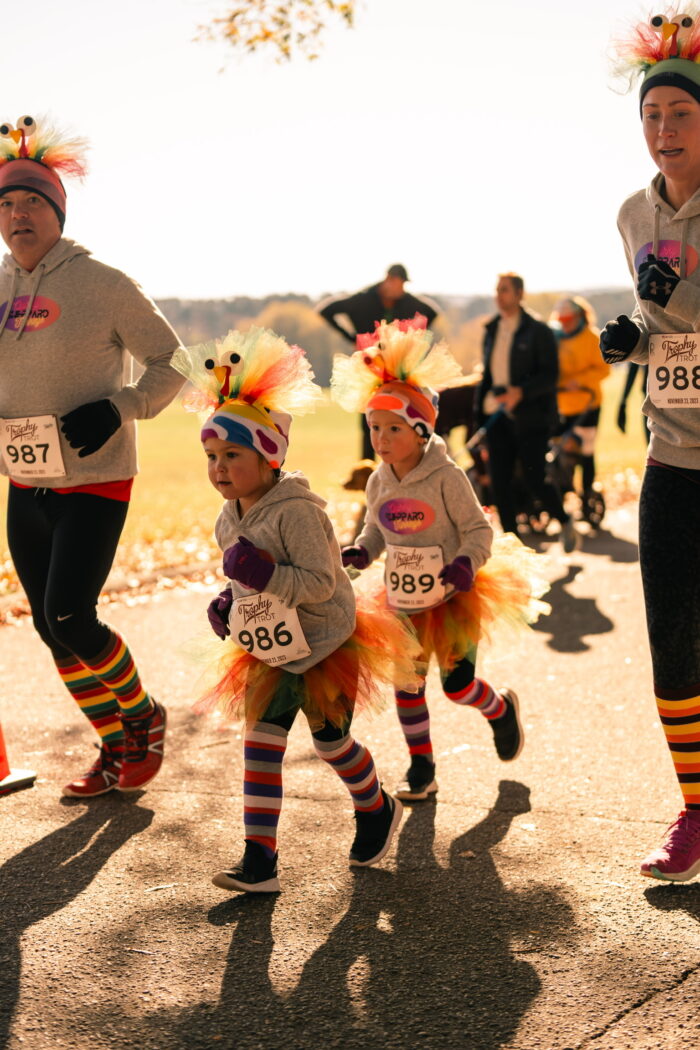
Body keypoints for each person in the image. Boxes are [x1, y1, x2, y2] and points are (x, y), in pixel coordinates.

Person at [172, 328, 420, 893]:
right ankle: (260, 860)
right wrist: (228, 603)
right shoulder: (227, 516)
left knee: (332, 743)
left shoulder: (298, 514)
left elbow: (317, 582)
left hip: (327, 643)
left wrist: (264, 575)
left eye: (233, 454)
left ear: (268, 456)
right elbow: (244, 585)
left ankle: (375, 805)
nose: (219, 467)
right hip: (271, 647)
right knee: (261, 745)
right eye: (212, 455)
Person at [0, 115, 184, 797]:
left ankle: (145, 718)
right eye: (6, 205)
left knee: (73, 614)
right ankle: (114, 748)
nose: (18, 216)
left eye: (31, 203)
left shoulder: (102, 282)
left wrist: (121, 407)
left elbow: (176, 360)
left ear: (57, 210)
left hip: (97, 475)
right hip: (26, 479)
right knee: (50, 628)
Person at [332, 318, 549, 801]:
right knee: (407, 686)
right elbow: (376, 528)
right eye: (374, 428)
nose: (381, 439)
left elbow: (477, 529)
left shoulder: (447, 478)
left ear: (421, 428)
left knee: (456, 686)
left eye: (393, 428)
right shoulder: (379, 479)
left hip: (452, 596)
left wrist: (466, 563)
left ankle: (498, 709)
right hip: (402, 600)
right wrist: (363, 550)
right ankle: (421, 767)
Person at [602, 11, 700, 881]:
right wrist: (627, 336)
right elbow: (655, 324)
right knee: (673, 645)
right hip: (672, 458)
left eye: (682, 116)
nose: (664, 131)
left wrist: (681, 299)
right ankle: (695, 811)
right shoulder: (634, 212)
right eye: (653, 116)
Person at [478, 273, 577, 551]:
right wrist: (479, 417)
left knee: (535, 478)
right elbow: (486, 376)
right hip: (496, 418)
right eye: (497, 290)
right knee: (500, 483)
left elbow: (550, 375)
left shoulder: (539, 331)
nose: (499, 296)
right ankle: (513, 551)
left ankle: (564, 520)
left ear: (520, 294)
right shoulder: (491, 329)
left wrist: (520, 392)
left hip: (531, 418)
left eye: (505, 290)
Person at [317, 264, 440, 457]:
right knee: (370, 418)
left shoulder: (407, 302)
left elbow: (432, 312)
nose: (401, 290)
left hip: (399, 369)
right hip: (370, 367)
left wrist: (413, 339)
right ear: (388, 279)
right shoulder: (364, 299)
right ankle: (368, 468)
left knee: (401, 415)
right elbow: (327, 309)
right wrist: (352, 337)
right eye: (399, 284)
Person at [550, 296, 610, 496]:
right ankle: (563, 489)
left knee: (586, 452)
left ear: (578, 317)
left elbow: (604, 369)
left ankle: (587, 490)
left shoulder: (592, 338)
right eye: (562, 321)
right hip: (563, 406)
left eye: (568, 320)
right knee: (560, 451)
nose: (565, 324)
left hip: (588, 404)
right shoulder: (556, 339)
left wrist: (581, 381)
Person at [616, 362, 650, 439]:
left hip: (652, 396)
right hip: (650, 397)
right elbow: (634, 365)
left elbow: (633, 367)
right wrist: (623, 401)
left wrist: (623, 401)